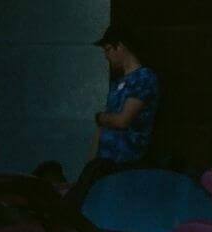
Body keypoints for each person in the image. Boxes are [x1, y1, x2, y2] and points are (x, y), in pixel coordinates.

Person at [66, 24, 158, 205]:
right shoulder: (118, 83)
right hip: (104, 163)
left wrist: (101, 117)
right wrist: (90, 165)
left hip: (126, 163)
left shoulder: (144, 77)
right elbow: (102, 128)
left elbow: (123, 120)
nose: (106, 55)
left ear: (121, 47)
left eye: (108, 49)